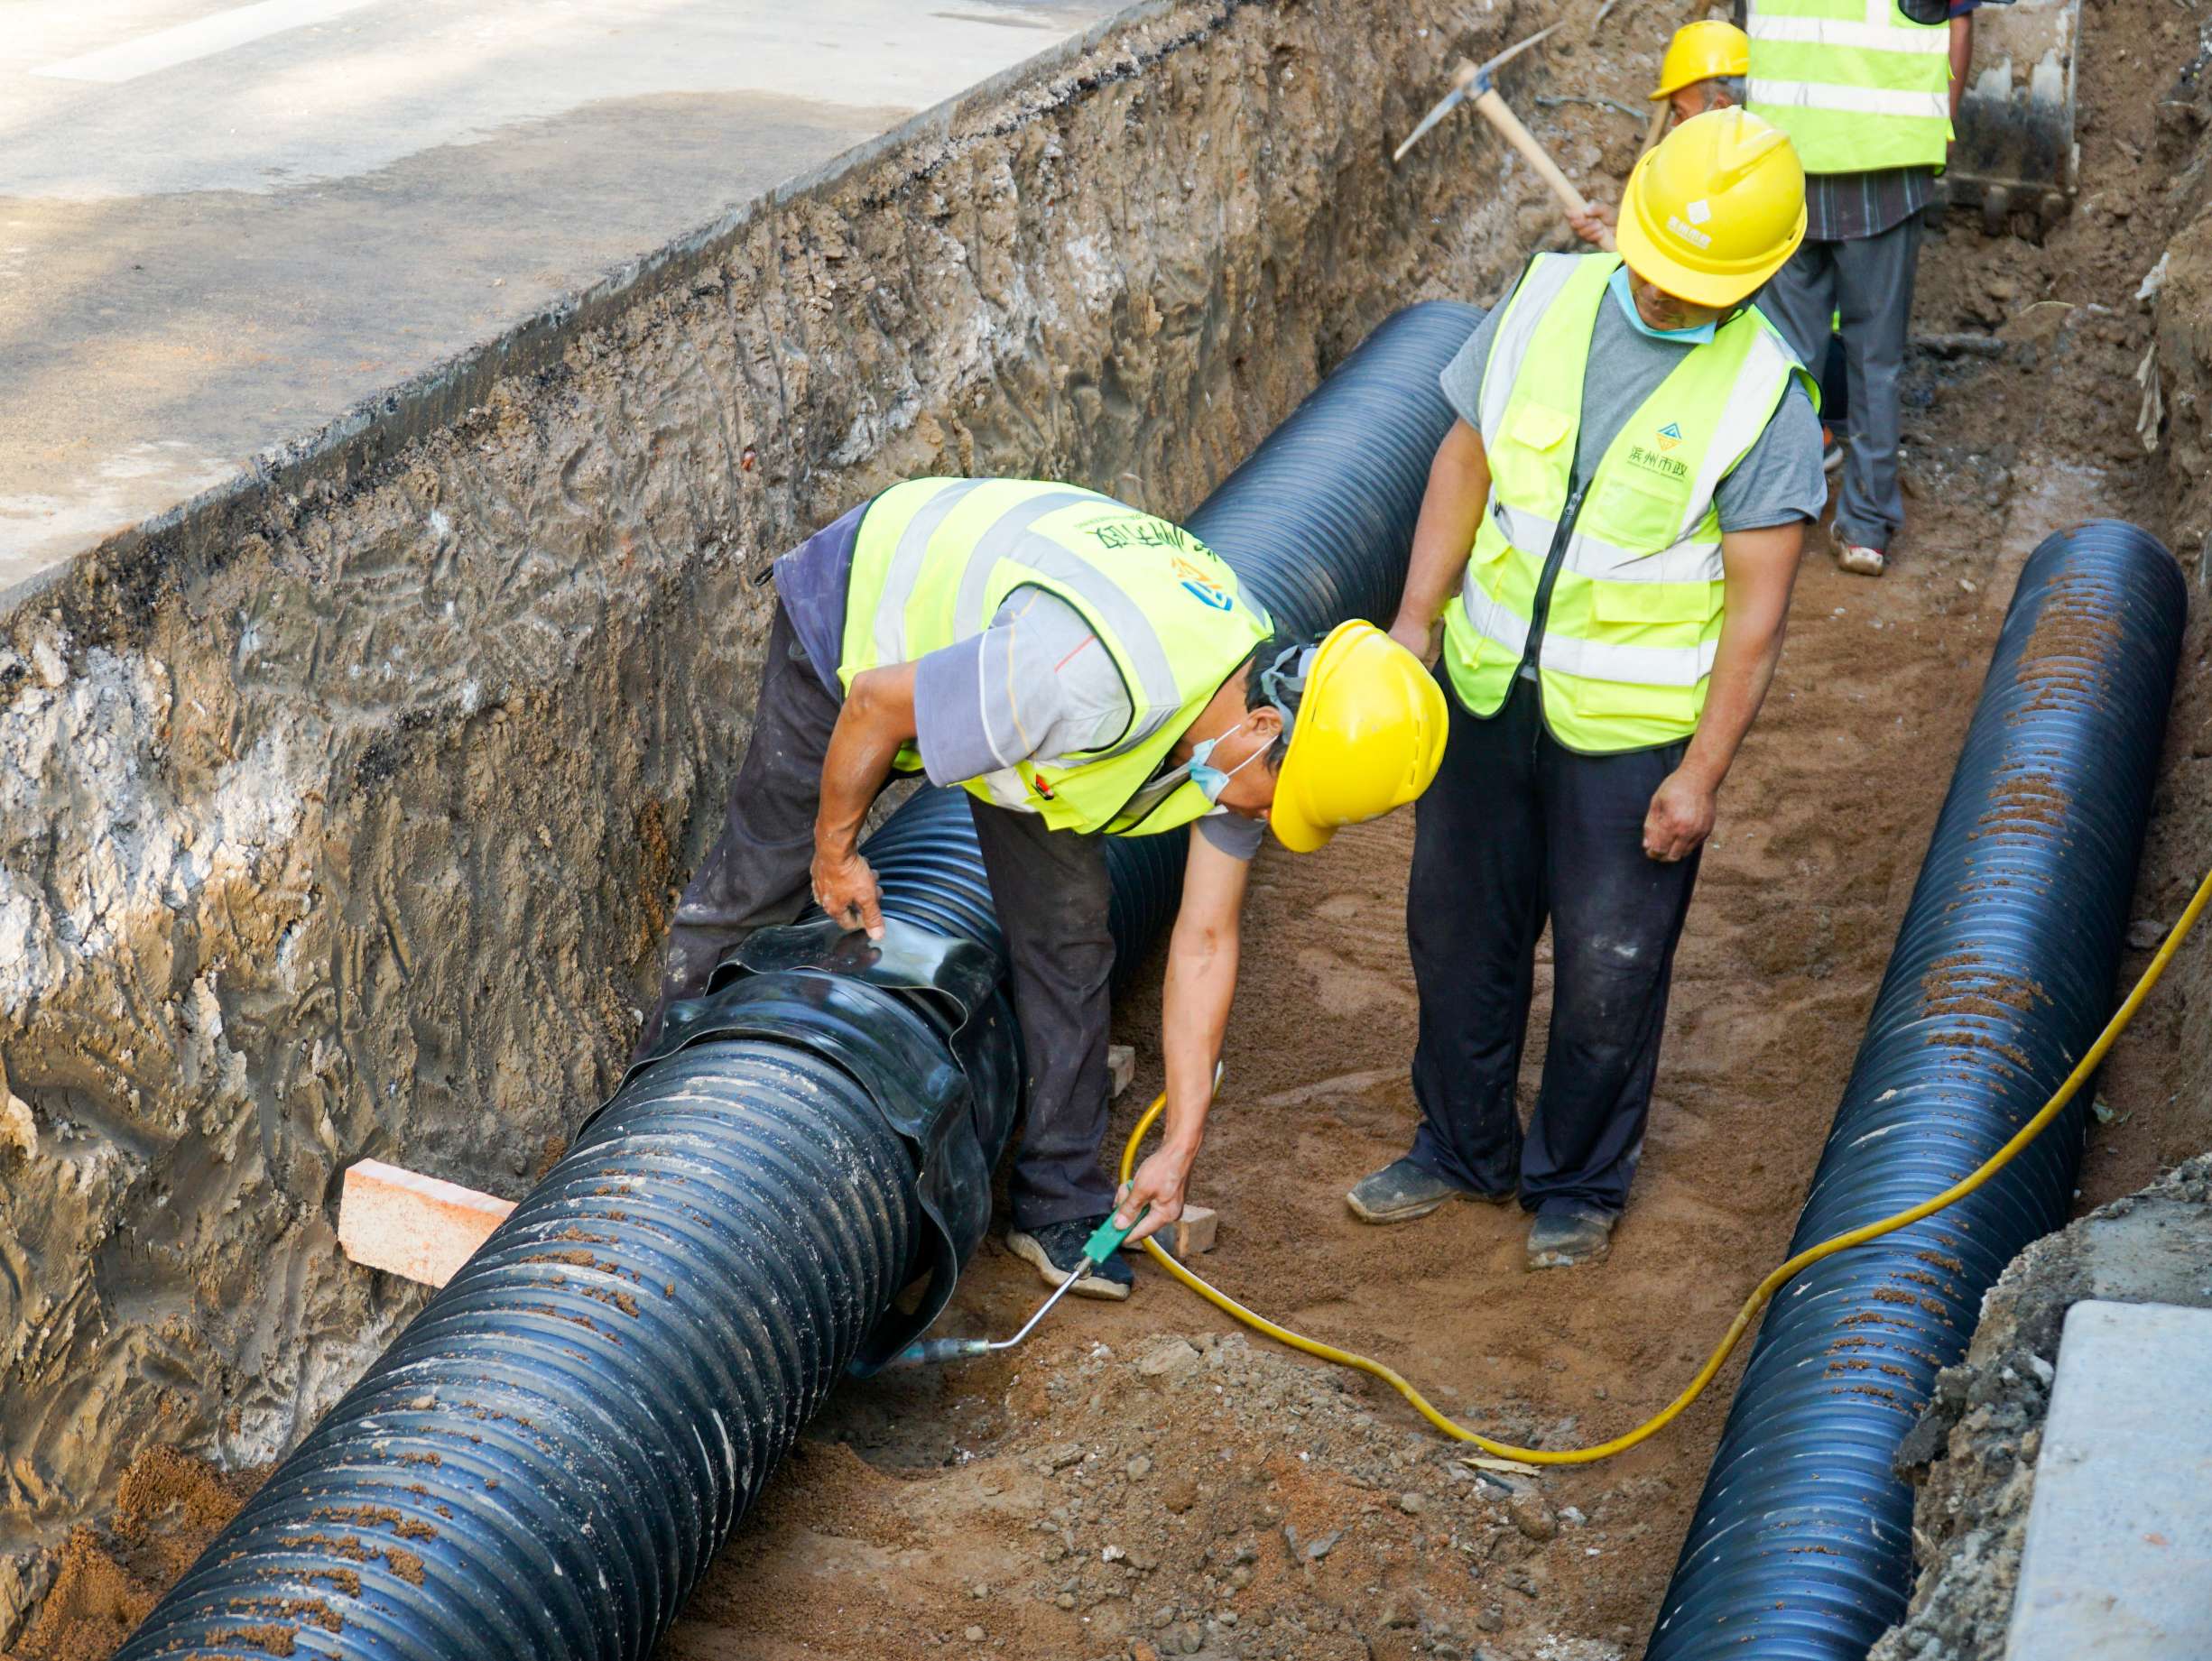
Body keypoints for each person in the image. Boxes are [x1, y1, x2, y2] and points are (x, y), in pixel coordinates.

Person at [642, 476, 1446, 1298]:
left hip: (1023, 695)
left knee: (1070, 934)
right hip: (867, 614)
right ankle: (645, 1135)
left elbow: (1205, 941)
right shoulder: (1084, 683)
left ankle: (1056, 1201)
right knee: (754, 888)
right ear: (1264, 728)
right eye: (1285, 799)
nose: (1272, 818)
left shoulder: (1247, 733)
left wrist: (1179, 1145)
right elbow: (879, 702)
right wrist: (836, 852)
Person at [1352, 110, 1826, 1270]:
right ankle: (1459, 1146)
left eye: (1697, 287)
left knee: (1613, 966)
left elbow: (1757, 616)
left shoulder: (1766, 394)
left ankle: (1578, 1179)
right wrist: (1418, 616)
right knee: (1459, 933)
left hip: (1633, 735)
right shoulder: (1546, 297)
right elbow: (1463, 459)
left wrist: (1703, 773)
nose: (1669, 299)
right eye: (1658, 273)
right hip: (1484, 685)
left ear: (1756, 276)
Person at [1740, 0, 1981, 576]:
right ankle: (1866, 529)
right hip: (1886, 165)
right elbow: (1960, 19)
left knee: (1782, 355)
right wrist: (1942, 122)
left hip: (1785, 160)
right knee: (1875, 359)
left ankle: (1773, 510)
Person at [1568, 19, 1750, 251]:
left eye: (1681, 113)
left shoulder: (1755, 187)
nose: (1674, 124)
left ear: (1720, 107)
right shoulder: (1703, 172)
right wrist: (1623, 229)